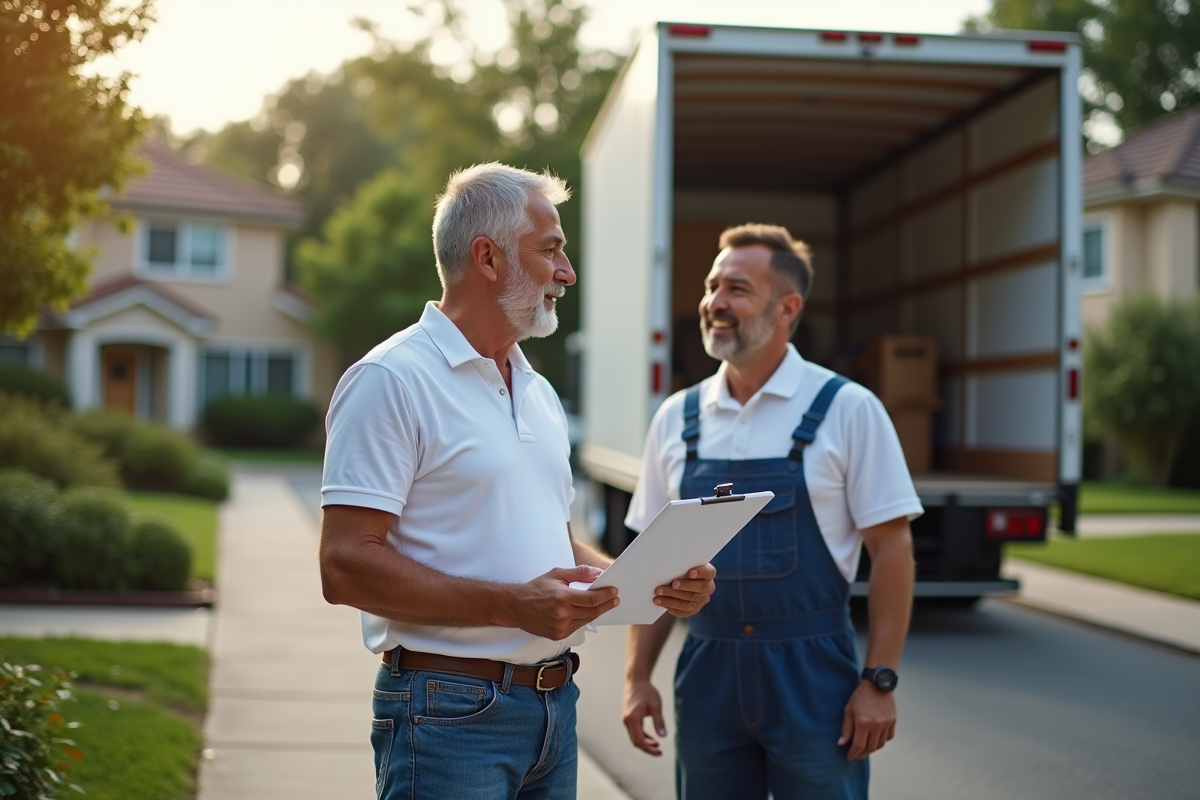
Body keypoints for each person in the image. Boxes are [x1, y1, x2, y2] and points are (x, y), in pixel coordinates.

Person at [317, 163, 716, 800]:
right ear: (488, 258)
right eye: (551, 250)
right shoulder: (391, 379)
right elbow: (343, 566)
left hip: (554, 711)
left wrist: (646, 581)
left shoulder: (538, 392)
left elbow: (556, 549)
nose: (568, 272)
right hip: (445, 714)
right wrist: (510, 605)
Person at [621, 224, 921, 800]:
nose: (714, 303)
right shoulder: (676, 418)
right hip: (707, 672)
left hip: (814, 678)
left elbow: (892, 549)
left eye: (736, 288)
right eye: (712, 287)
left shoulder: (848, 409)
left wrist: (879, 682)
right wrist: (636, 679)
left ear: (788, 308)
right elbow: (650, 563)